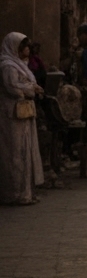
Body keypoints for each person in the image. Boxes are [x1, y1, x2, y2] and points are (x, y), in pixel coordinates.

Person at [1, 33, 44, 206]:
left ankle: (26, 192)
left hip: (24, 114)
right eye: (23, 47)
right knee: (14, 153)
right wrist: (31, 89)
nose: (26, 50)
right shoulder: (7, 66)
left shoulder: (20, 65)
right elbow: (12, 87)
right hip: (12, 115)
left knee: (25, 152)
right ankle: (14, 193)